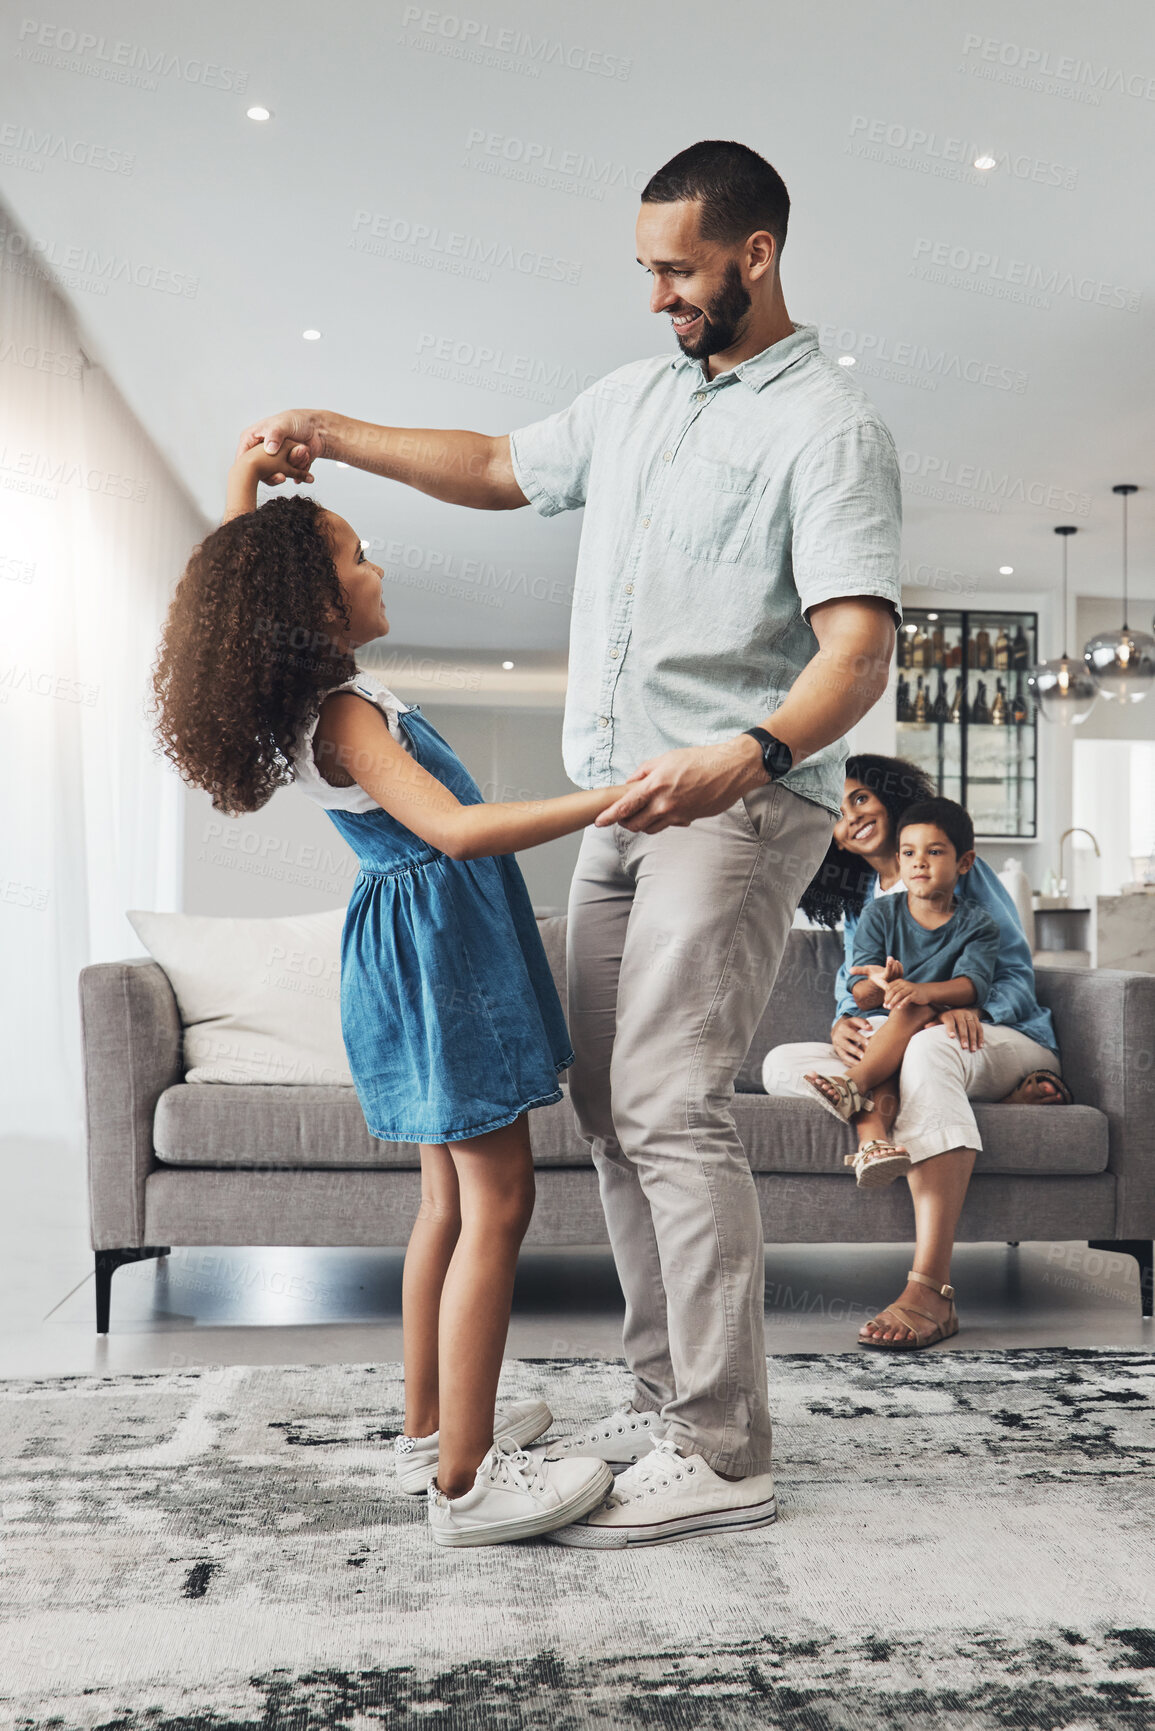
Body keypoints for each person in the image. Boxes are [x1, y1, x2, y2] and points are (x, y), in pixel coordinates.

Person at [235, 139, 903, 1546]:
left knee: (664, 1100)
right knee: (601, 1109)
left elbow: (855, 649)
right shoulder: (636, 399)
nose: (655, 291)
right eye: (646, 268)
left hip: (733, 797)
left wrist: (757, 748)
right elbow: (490, 463)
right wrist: (333, 431)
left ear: (752, 257)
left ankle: (723, 1443)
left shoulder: (825, 428)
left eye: (674, 268)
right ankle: (668, 1402)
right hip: (617, 805)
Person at [150, 439, 625, 1548]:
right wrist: (610, 798)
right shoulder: (349, 715)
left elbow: (242, 570)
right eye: (361, 558)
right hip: (441, 954)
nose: (378, 568)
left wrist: (245, 476)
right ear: (317, 603)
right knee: (499, 1203)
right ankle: (466, 1483)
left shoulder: (316, 687)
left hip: (412, 949)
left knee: (446, 1205)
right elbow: (457, 830)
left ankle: (429, 1424)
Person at [763, 755, 1067, 1350]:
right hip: (906, 1035)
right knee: (780, 1062)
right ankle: (976, 1105)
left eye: (859, 798)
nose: (851, 817)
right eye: (836, 809)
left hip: (995, 1033)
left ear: (889, 798)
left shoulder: (951, 875)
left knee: (928, 1047)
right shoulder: (866, 905)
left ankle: (931, 1288)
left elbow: (1011, 970)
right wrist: (841, 1026)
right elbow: (854, 984)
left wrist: (969, 1006)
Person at [804, 798, 1000, 1202]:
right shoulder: (878, 914)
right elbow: (860, 989)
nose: (920, 863)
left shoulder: (977, 921)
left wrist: (920, 991)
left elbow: (973, 984)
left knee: (913, 1017)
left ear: (965, 863)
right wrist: (881, 984)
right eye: (909, 853)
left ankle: (854, 1092)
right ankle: (872, 1140)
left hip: (932, 1026)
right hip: (882, 1023)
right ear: (899, 857)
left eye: (934, 852)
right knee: (876, 1036)